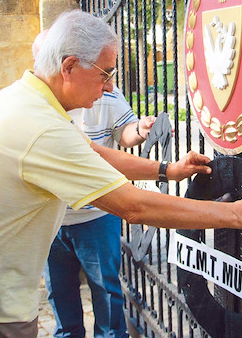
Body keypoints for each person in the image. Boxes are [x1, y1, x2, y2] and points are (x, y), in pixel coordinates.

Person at [0, 9, 242, 338]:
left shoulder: (25, 99)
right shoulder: (40, 127)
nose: (110, 86)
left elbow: (92, 152)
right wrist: (237, 214)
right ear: (68, 67)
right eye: (104, 73)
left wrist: (168, 171)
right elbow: (133, 207)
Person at [33, 30, 156, 338]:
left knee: (106, 291)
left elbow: (122, 134)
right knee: (59, 293)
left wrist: (139, 130)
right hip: (52, 220)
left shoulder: (105, 93)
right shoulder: (37, 106)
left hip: (96, 216)